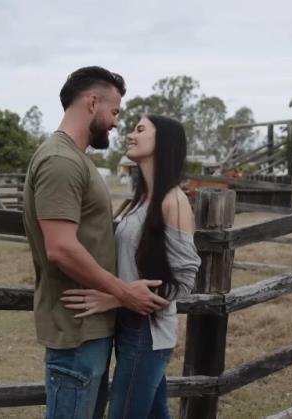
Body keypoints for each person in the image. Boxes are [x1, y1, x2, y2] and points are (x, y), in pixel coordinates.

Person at [22, 67, 170, 419]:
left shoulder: (75, 159)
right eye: (115, 111)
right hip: (76, 330)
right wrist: (123, 292)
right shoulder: (61, 161)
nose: (117, 122)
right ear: (92, 103)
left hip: (89, 329)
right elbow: (60, 247)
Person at [62, 115, 201, 418]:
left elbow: (184, 281)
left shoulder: (173, 201)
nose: (130, 135)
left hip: (148, 333)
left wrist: (116, 297)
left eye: (140, 129)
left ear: (162, 141)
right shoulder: (142, 200)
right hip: (130, 328)